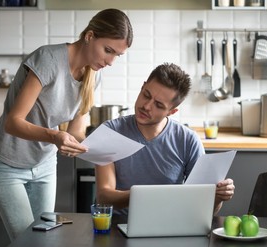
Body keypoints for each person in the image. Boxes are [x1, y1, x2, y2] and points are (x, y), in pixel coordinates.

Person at [0, 9, 133, 240]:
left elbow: (75, 132)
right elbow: (13, 123)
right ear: (90, 36)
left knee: (44, 240)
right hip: (8, 163)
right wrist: (55, 137)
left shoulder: (94, 74)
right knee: (25, 244)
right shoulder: (48, 60)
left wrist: (104, 149)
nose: (111, 61)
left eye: (117, 56)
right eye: (108, 50)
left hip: (44, 164)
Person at [95, 63, 235, 215]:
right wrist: (151, 196)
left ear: (171, 111)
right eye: (146, 95)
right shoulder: (111, 131)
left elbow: (205, 209)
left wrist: (218, 197)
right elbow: (104, 197)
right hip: (116, 227)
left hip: (169, 226)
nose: (146, 106)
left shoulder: (188, 140)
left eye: (159, 105)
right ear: (142, 87)